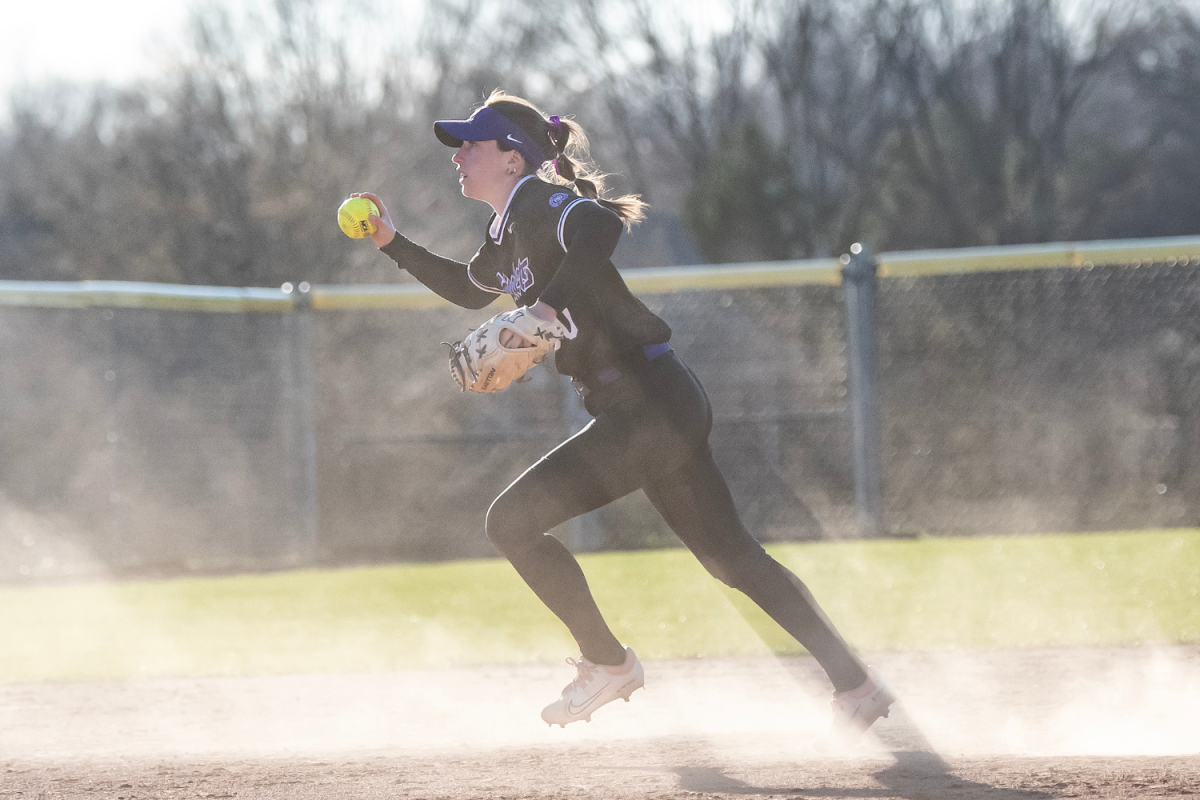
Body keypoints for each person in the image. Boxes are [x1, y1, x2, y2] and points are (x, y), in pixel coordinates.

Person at [350, 90, 894, 747]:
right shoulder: (505, 231)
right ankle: (857, 687)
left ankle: (607, 663)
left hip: (646, 403)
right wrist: (390, 241)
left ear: (513, 160)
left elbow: (599, 229)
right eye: (458, 145)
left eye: (472, 143)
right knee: (734, 560)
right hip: (650, 403)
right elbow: (470, 288)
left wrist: (544, 312)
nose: (459, 155)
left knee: (511, 523)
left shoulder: (541, 202)